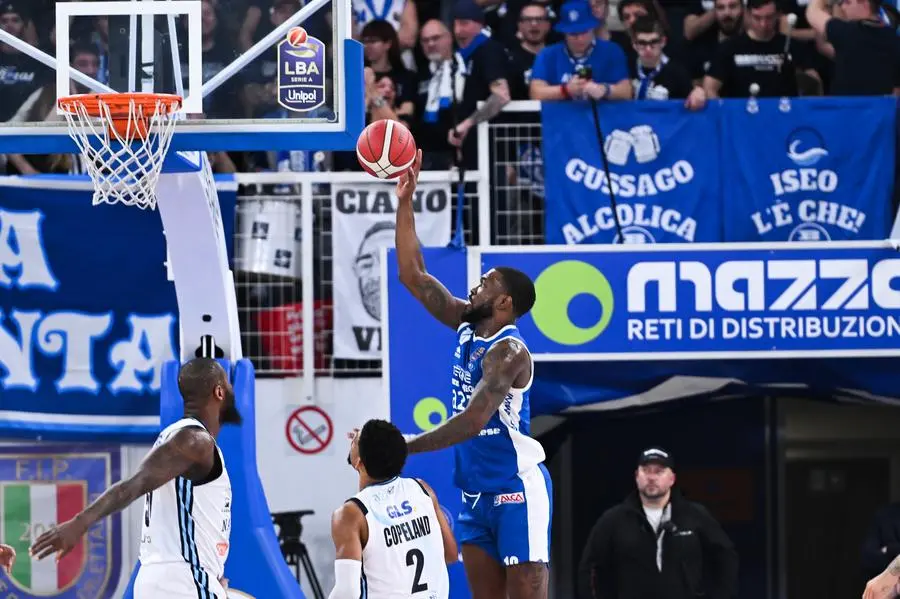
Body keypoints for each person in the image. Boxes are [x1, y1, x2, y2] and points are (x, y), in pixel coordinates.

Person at [396, 150, 552, 599]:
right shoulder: (467, 322)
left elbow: (473, 420)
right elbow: (414, 275)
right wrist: (405, 199)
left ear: (505, 304)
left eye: (486, 283)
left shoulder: (508, 354)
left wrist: (404, 445)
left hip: (515, 488)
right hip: (473, 491)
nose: (475, 287)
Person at [30, 358, 242, 599]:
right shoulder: (195, 441)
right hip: (182, 581)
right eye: (229, 385)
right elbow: (132, 485)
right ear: (219, 391)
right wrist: (79, 523)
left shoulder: (175, 438)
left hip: (171, 580)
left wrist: (209, 571)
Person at [577, 448, 739, 599]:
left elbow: (726, 558)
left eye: (659, 472)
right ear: (636, 476)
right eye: (646, 471)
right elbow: (590, 569)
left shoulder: (695, 516)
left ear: (672, 478)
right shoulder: (613, 520)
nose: (651, 477)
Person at [328, 419, 456, 599]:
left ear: (358, 462)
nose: (354, 438)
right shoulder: (422, 489)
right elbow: (450, 554)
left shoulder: (350, 514)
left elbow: (347, 592)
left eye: (356, 440)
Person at [530, 0, 632, 102]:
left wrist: (605, 90)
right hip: (561, 116)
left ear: (593, 27)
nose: (580, 39)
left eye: (584, 32)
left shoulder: (612, 51)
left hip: (603, 116)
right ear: (564, 32)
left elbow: (627, 91)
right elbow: (535, 93)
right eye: (573, 34)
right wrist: (565, 90)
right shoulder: (547, 55)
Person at [806, 0, 900, 95]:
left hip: (844, 107)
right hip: (879, 108)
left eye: (847, 2)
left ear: (864, 4)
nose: (843, 7)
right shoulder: (894, 39)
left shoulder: (846, 32)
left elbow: (813, 13)